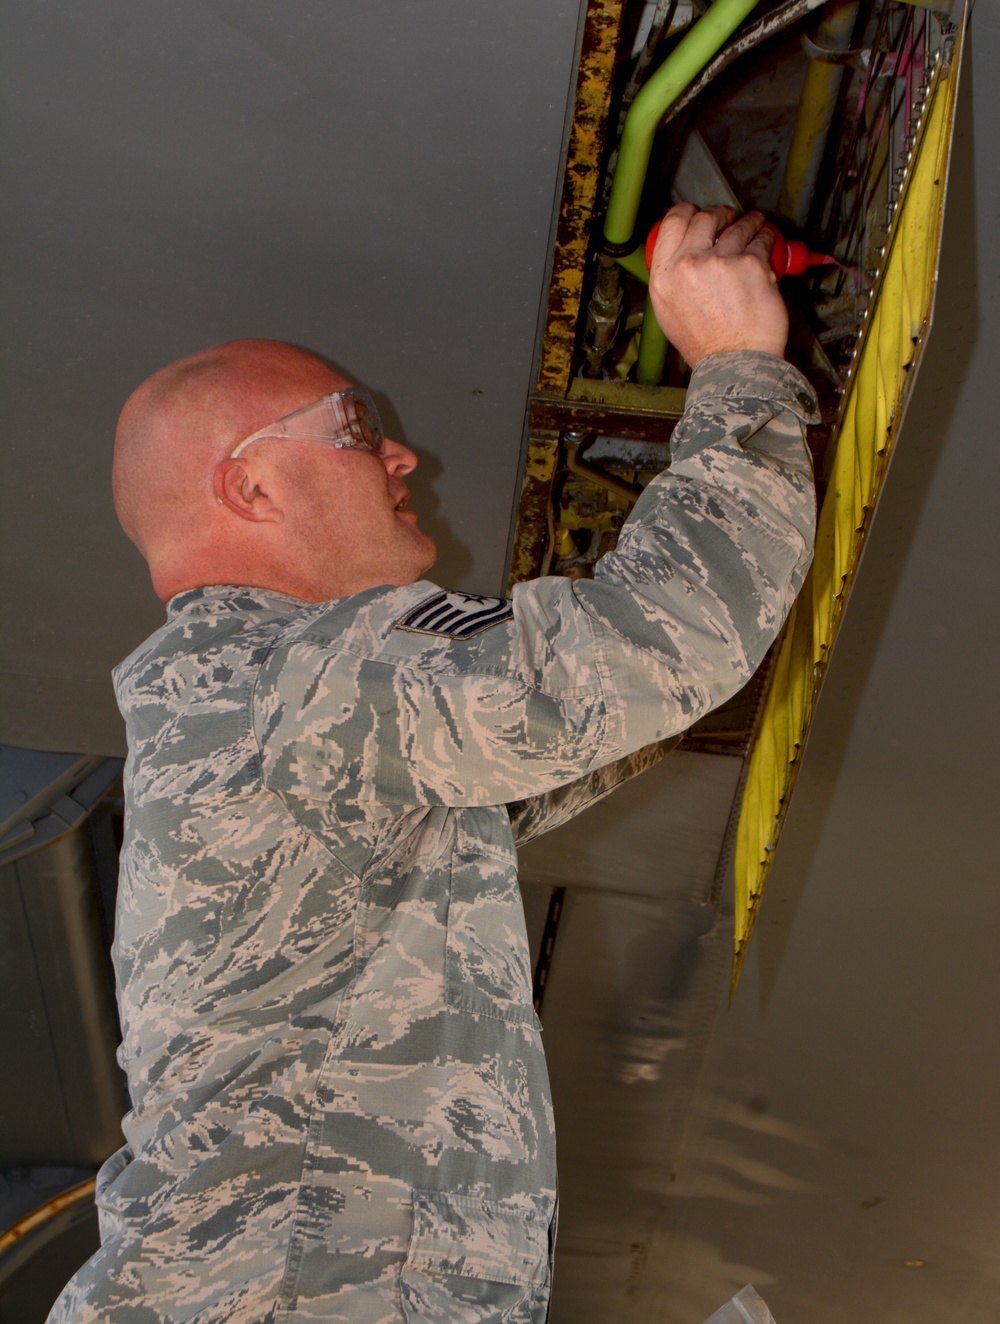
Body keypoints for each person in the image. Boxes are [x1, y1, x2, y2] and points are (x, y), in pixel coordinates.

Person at [49, 205, 818, 1323]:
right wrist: (740, 369)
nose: (403, 451)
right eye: (355, 426)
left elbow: (593, 710)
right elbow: (649, 649)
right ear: (250, 490)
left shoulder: (278, 709)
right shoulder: (283, 683)